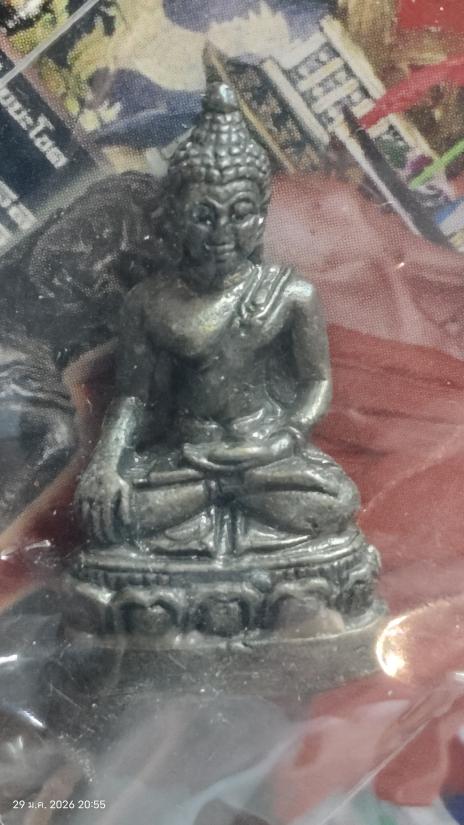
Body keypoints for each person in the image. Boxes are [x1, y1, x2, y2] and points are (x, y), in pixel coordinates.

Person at [75, 82, 359, 558]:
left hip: (263, 451)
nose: (223, 232)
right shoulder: (148, 301)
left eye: (240, 214)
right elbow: (132, 396)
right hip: (186, 452)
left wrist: (285, 438)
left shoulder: (292, 294)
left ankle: (215, 515)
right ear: (176, 217)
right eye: (204, 216)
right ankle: (221, 504)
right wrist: (105, 463)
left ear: (262, 216)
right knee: (108, 515)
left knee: (336, 503)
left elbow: (316, 382)